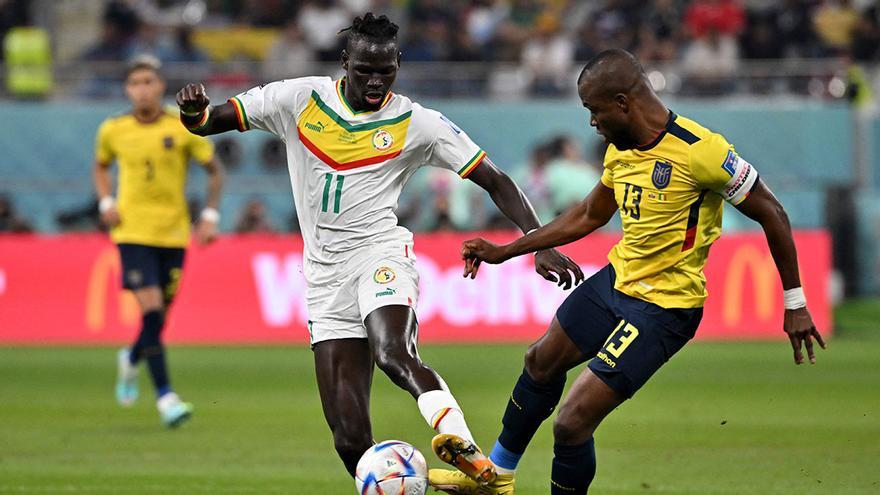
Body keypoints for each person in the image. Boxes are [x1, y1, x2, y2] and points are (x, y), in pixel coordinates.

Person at [175, 12, 581, 481]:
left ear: (398, 64)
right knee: (350, 441)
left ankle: (465, 447)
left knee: (394, 354)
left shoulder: (417, 122)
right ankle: (420, 483)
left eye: (386, 71)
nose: (375, 80)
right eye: (364, 69)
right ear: (344, 61)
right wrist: (193, 111)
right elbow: (209, 121)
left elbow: (494, 179)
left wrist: (538, 243)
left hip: (380, 254)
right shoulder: (296, 98)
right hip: (325, 278)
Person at [430, 49, 825, 494]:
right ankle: (494, 477)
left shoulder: (702, 151)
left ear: (621, 102)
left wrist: (796, 301)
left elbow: (772, 211)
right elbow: (588, 214)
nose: (592, 122)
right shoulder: (621, 150)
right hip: (615, 283)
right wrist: (511, 249)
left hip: (664, 308)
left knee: (572, 423)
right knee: (539, 362)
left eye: (593, 110)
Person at [93, 56, 225, 428]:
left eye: (149, 81)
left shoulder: (181, 125)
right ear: (127, 89)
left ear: (160, 86)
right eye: (135, 83)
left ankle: (132, 357)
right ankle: (167, 397)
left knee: (159, 318)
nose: (143, 89)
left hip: (173, 233)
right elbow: (101, 165)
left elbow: (214, 170)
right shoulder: (113, 129)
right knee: (151, 312)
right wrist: (106, 202)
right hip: (132, 233)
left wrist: (211, 215)